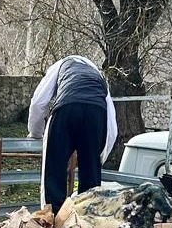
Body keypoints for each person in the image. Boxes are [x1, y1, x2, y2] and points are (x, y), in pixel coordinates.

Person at [27, 55, 118, 211]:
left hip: (66, 108)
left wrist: (35, 132)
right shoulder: (99, 77)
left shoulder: (61, 66)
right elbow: (111, 124)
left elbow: (39, 102)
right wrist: (98, 157)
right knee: (91, 179)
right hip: (96, 113)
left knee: (53, 169)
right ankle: (87, 220)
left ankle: (52, 218)